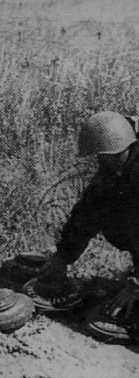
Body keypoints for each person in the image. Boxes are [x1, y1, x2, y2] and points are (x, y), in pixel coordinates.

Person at [41, 111, 139, 330]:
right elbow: (87, 211)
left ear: (127, 146)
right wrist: (63, 255)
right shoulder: (113, 169)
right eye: (99, 155)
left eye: (109, 155)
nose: (102, 160)